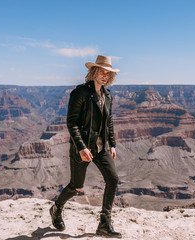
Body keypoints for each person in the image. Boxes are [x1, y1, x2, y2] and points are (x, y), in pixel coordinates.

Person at [50, 55, 122, 238]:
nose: (104, 76)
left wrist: (112, 143)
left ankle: (104, 224)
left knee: (112, 179)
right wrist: (81, 148)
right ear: (93, 72)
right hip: (82, 147)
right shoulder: (80, 93)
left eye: (108, 73)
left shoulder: (107, 95)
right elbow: (72, 123)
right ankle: (57, 208)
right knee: (76, 186)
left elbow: (109, 122)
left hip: (100, 147)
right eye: (101, 72)